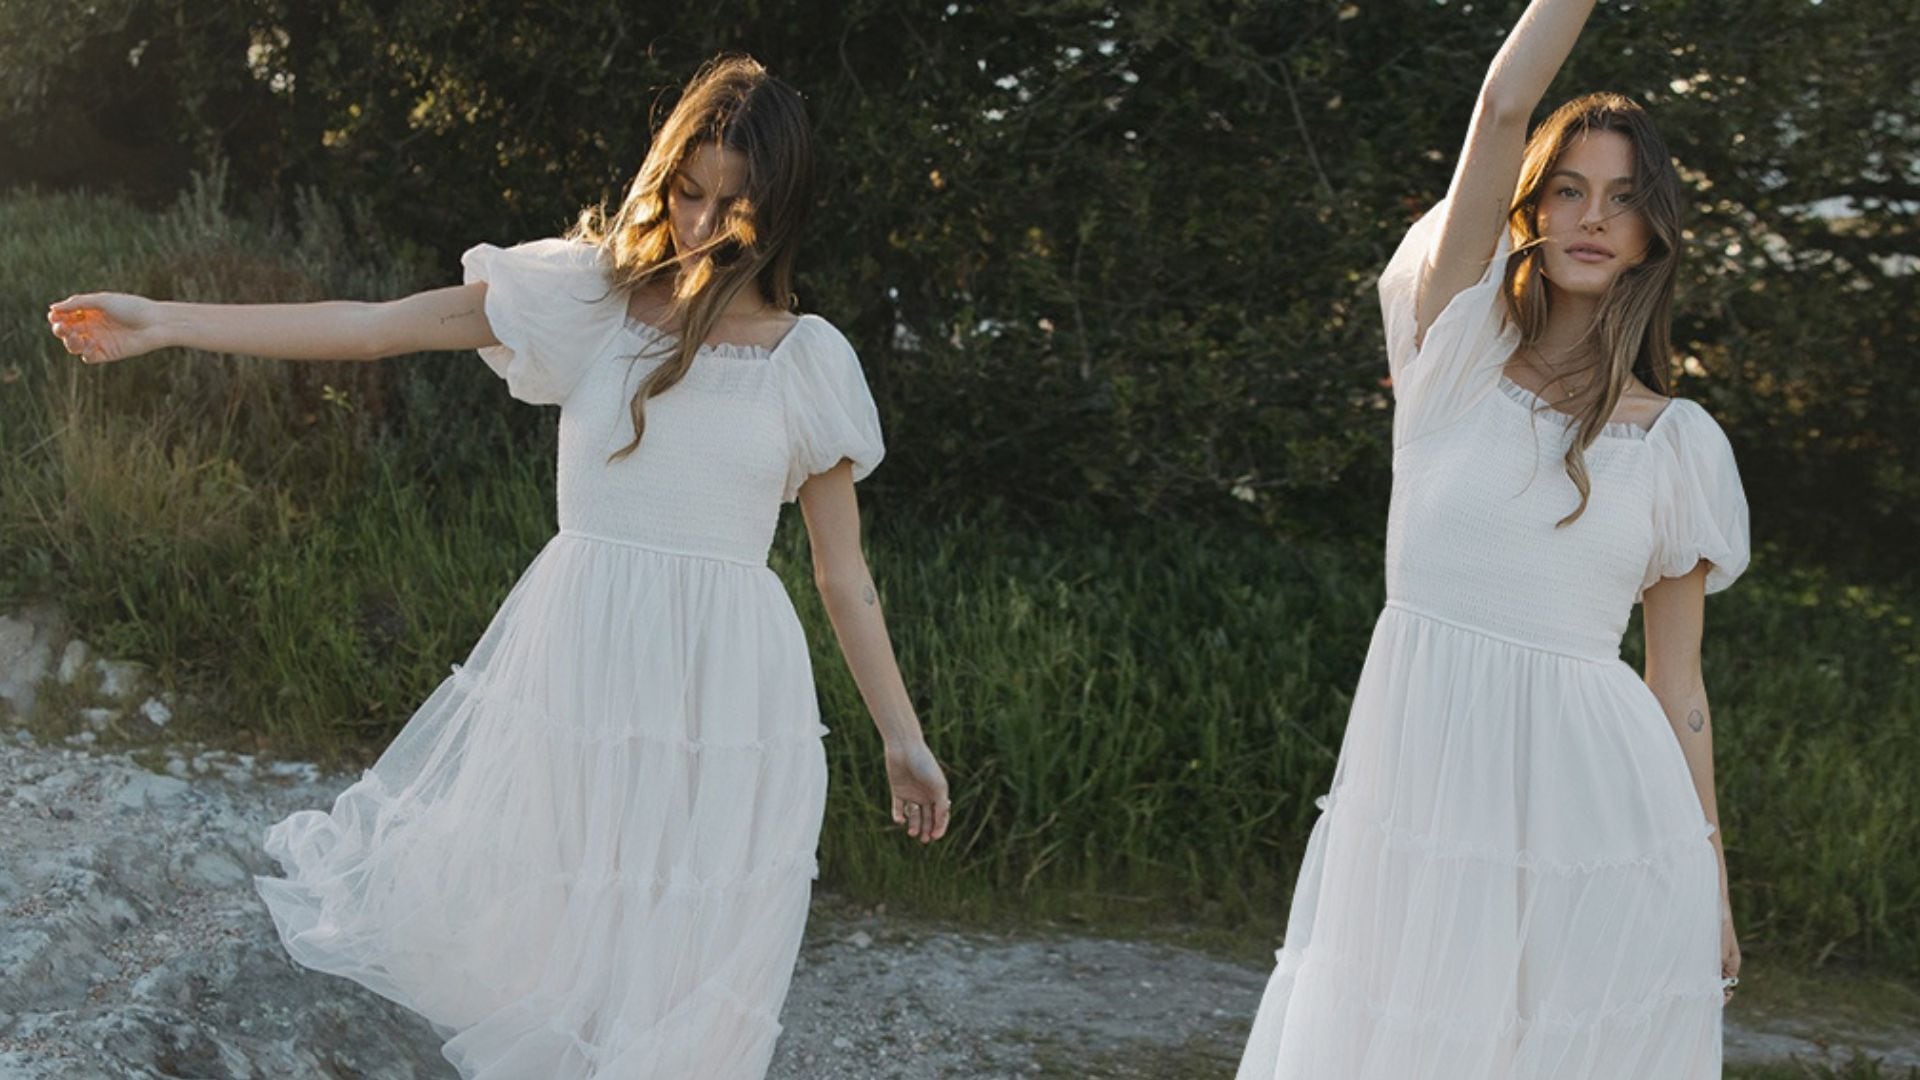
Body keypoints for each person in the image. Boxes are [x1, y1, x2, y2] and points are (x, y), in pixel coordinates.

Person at [47, 54, 950, 1080]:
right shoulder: (588, 302)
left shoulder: (810, 360)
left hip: (729, 695)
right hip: (583, 660)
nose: (699, 225)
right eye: (687, 192)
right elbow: (378, 328)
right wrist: (167, 322)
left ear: (778, 207)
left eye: (730, 206)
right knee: (554, 935)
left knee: (686, 981)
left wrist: (902, 740)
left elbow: (846, 577)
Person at [1234, 2, 1748, 1076]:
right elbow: (1507, 101)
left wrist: (1711, 885)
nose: (1592, 218)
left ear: (1654, 229)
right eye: (1568, 190)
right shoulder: (1450, 355)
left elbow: (1679, 689)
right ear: (1532, 209)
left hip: (1596, 818)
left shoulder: (1679, 446)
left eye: (1621, 199)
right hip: (1421, 798)